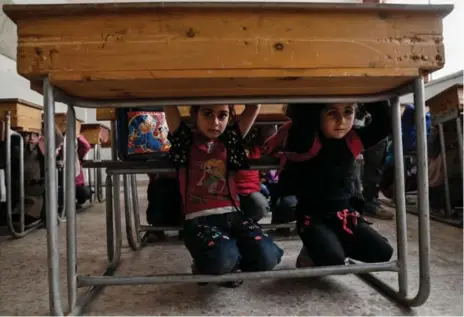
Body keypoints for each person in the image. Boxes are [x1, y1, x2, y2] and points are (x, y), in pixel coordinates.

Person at [164, 104, 283, 285]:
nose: (215, 122)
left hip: (234, 217)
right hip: (200, 221)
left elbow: (254, 106)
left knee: (268, 258)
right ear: (195, 115)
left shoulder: (229, 141)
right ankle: (219, 262)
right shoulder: (186, 142)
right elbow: (169, 105)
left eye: (223, 115)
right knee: (222, 260)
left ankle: (229, 261)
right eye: (207, 114)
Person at [265, 102, 394, 268]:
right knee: (333, 259)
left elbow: (383, 125)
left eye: (348, 112)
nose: (341, 121)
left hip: (344, 216)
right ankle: (316, 248)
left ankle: (330, 244)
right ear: (316, 115)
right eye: (332, 113)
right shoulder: (305, 140)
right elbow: (304, 111)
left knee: (384, 252)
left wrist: (366, 92)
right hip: (313, 217)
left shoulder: (352, 140)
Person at [235, 125, 274, 222]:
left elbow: (270, 136)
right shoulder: (229, 145)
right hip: (231, 190)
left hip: (252, 190)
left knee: (261, 206)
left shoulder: (257, 146)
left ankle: (249, 223)